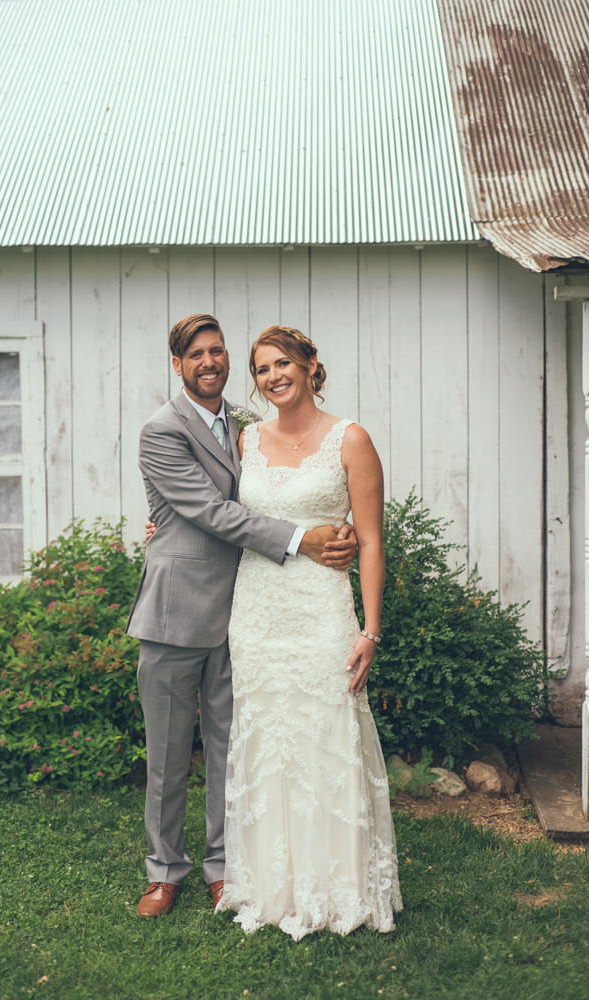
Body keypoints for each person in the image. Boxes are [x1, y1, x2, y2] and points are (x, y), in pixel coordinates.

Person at [125, 314, 357, 919]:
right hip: (175, 613)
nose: (210, 362)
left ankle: (223, 868)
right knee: (169, 754)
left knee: (232, 748)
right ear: (177, 364)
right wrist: (303, 538)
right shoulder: (161, 430)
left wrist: (342, 529)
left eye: (218, 351)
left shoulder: (248, 429)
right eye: (196, 354)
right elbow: (210, 512)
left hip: (243, 611)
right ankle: (164, 873)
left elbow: (274, 488)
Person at [216, 325, 401, 939]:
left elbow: (370, 539)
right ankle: (272, 887)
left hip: (322, 609)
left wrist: (370, 630)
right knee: (267, 740)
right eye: (262, 368)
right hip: (258, 611)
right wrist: (162, 525)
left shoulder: (351, 439)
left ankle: (338, 887)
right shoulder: (244, 440)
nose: (273, 376)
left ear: (309, 365)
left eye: (283, 363)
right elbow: (217, 514)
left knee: (328, 736)